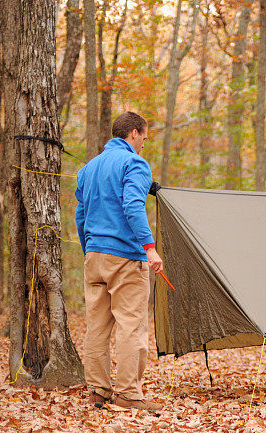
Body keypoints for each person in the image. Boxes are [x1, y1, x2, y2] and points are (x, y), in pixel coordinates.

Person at [75, 111, 164, 411]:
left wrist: (89, 247)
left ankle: (98, 392)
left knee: (97, 327)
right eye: (144, 139)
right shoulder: (134, 164)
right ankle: (128, 394)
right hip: (126, 258)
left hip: (95, 256)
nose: (144, 146)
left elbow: (80, 214)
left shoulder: (87, 169)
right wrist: (149, 248)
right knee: (132, 326)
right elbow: (133, 205)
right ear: (134, 133)